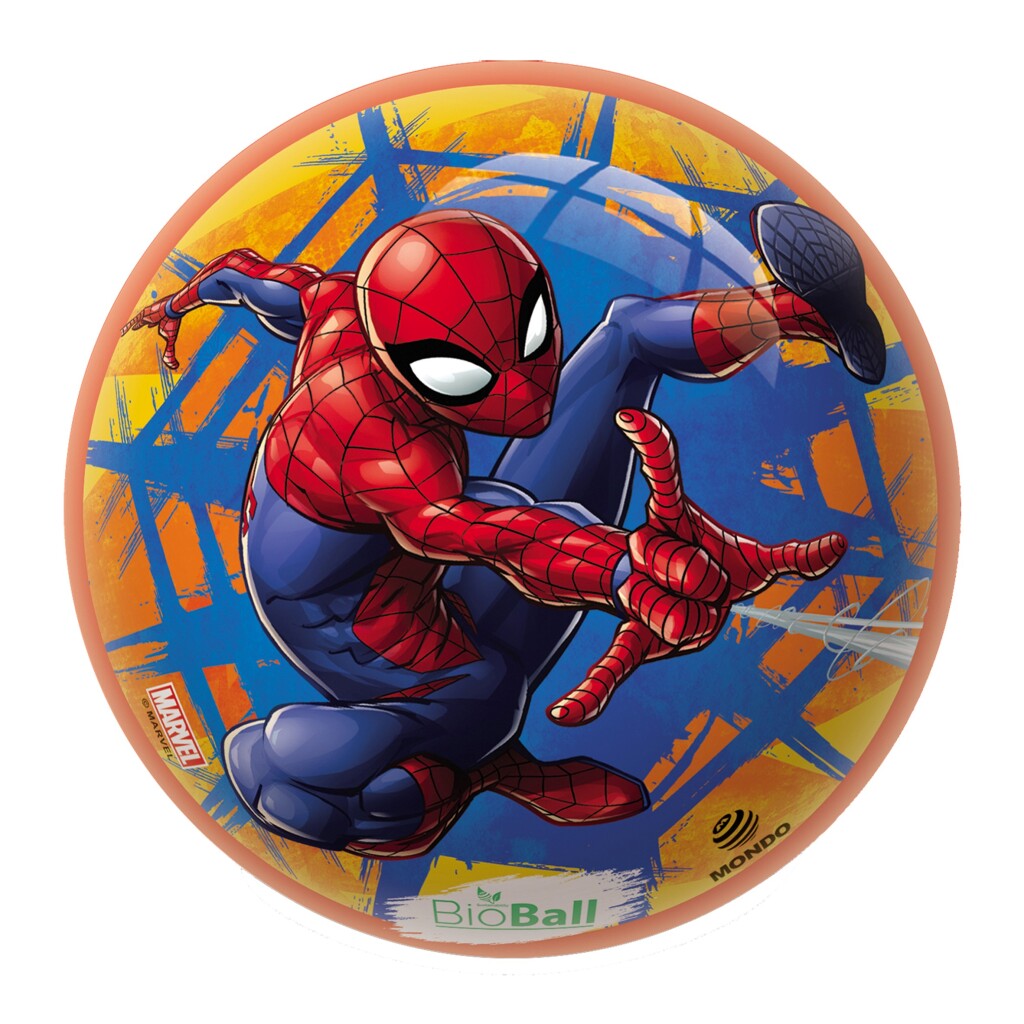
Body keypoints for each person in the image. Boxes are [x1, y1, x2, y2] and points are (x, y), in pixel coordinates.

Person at [125, 202, 883, 857]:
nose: (529, 392)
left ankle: (797, 310)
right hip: (361, 629)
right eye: (464, 374)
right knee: (485, 691)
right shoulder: (381, 445)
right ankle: (470, 766)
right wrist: (623, 570)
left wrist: (180, 303)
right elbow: (489, 532)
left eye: (533, 331)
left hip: (411, 555)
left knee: (626, 336)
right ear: (401, 355)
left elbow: (246, 275)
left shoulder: (338, 305)